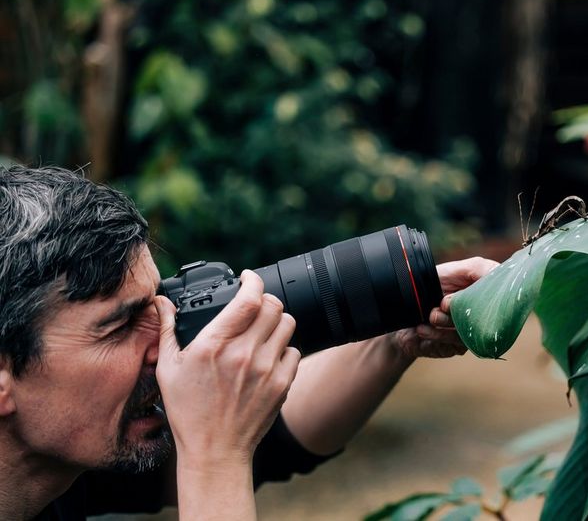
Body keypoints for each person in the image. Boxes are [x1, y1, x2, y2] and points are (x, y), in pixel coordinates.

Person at [0, 165, 498, 521]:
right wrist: (214, 457)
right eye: (120, 326)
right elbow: (216, 466)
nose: (168, 341)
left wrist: (397, 333)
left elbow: (283, 439)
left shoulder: (57, 459)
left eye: (158, 304)